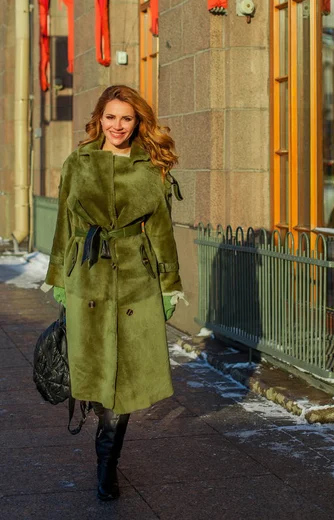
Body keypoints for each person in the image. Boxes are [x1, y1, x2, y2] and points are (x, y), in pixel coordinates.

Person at [44, 85, 186, 501]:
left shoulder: (151, 168)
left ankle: (107, 460)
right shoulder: (78, 162)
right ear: (99, 118)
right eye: (110, 117)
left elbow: (161, 230)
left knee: (125, 378)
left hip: (136, 280)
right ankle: (104, 439)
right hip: (87, 277)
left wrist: (169, 285)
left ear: (137, 121)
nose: (118, 126)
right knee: (97, 369)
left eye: (126, 118)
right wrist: (58, 277)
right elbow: (64, 227)